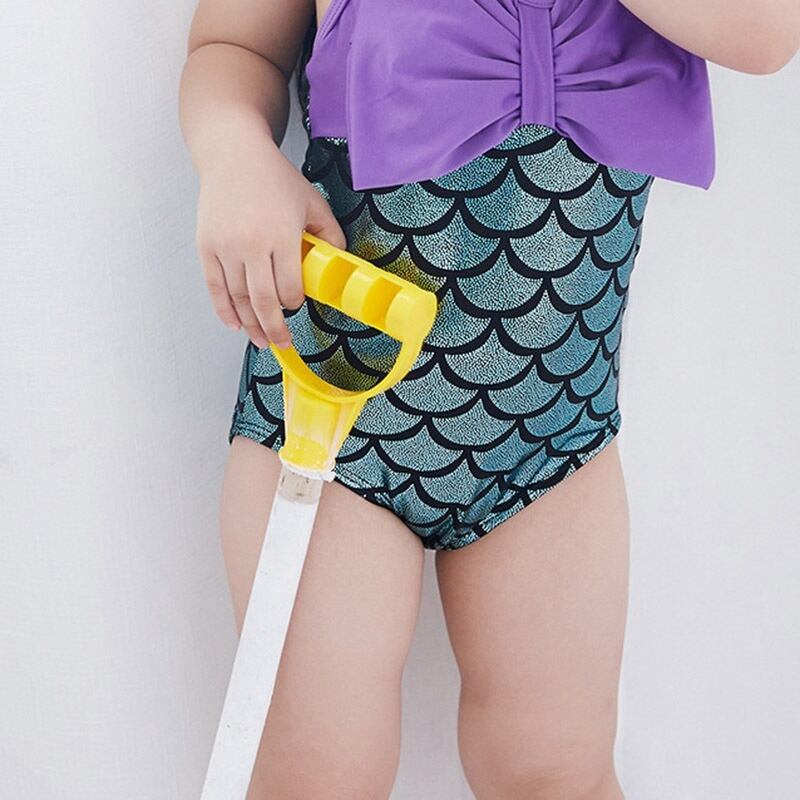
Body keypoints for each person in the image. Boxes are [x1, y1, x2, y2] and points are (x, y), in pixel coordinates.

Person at [178, 2, 798, 797]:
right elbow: (233, 44)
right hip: (328, 423)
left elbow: (767, 33)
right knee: (317, 778)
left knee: (559, 774)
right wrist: (235, 154)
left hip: (554, 441)